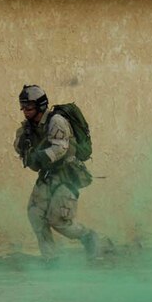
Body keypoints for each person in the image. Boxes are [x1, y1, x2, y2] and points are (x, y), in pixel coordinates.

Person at [14, 85, 113, 262]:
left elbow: (60, 148)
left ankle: (89, 237)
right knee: (35, 213)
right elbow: (20, 146)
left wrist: (38, 156)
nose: (25, 112)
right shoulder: (30, 127)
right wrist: (23, 146)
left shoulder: (56, 121)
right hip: (47, 175)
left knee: (59, 220)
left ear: (40, 105)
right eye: (23, 107)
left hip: (67, 175)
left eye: (28, 107)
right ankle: (51, 258)